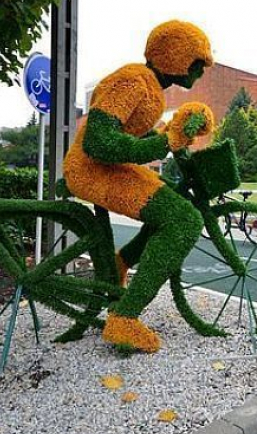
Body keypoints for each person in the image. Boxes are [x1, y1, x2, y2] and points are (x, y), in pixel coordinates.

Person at [63, 20, 215, 353]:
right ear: (175, 57)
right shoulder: (133, 81)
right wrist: (163, 144)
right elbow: (98, 142)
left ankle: (120, 263)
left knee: (173, 201)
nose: (201, 72)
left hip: (109, 167)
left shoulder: (151, 88)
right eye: (197, 62)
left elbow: (136, 137)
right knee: (184, 220)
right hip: (92, 170)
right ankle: (124, 318)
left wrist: (171, 134)